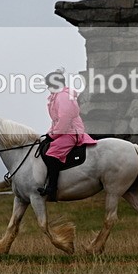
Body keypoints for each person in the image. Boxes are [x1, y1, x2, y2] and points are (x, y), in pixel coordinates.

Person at [38, 68, 97, 201]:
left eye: (49, 85)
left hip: (70, 132)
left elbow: (64, 119)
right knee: (44, 147)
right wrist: (48, 135)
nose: (48, 87)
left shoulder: (63, 97)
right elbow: (56, 121)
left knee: (51, 154)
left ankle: (52, 189)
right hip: (65, 131)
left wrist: (52, 136)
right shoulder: (57, 97)